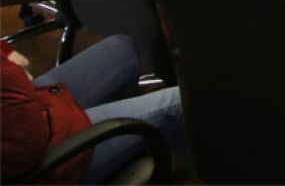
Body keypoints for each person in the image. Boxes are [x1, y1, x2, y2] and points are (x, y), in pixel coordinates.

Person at [2, 36, 185, 183]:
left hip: (36, 109)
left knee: (121, 48)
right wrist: (9, 74)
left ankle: (130, 147)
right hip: (40, 161)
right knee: (178, 102)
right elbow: (26, 149)